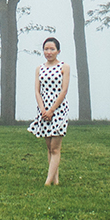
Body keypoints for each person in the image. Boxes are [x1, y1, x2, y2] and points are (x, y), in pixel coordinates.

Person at [28, 36, 71, 185]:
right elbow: (37, 91)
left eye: (52, 49)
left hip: (58, 110)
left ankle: (47, 181)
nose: (49, 52)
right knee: (49, 147)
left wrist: (52, 109)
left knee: (55, 147)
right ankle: (55, 180)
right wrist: (43, 110)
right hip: (44, 111)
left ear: (58, 51)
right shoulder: (39, 69)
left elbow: (64, 90)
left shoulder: (64, 67)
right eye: (46, 49)